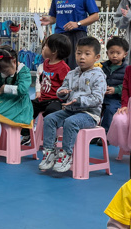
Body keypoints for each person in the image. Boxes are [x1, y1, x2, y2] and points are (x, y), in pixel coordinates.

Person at [38, 37, 107, 174]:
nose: (82, 57)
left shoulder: (99, 76)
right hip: (70, 111)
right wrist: (62, 93)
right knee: (49, 119)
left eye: (87, 54)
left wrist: (79, 100)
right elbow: (62, 89)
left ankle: (66, 155)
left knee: (70, 122)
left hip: (89, 115)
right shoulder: (71, 73)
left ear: (97, 57)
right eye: (79, 53)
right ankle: (49, 152)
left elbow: (98, 99)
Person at [39, 0, 100, 68]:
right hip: (60, 37)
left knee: (74, 68)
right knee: (57, 66)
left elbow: (95, 16)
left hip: (77, 36)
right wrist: (49, 20)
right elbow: (54, 17)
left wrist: (78, 23)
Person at [27, 33, 71, 137]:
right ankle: (26, 134)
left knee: (52, 111)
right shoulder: (46, 63)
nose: (43, 48)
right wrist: (38, 91)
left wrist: (64, 94)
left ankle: (52, 135)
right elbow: (40, 79)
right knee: (27, 106)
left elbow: (68, 85)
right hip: (42, 98)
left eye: (46, 46)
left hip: (55, 100)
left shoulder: (63, 68)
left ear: (54, 51)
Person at [100, 37, 128, 133]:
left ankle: (105, 133)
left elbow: (127, 85)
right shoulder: (103, 67)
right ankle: (94, 131)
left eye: (118, 53)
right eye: (111, 52)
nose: (114, 55)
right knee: (93, 108)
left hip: (116, 98)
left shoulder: (127, 70)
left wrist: (116, 90)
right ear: (107, 53)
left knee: (110, 110)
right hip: (102, 96)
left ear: (125, 54)